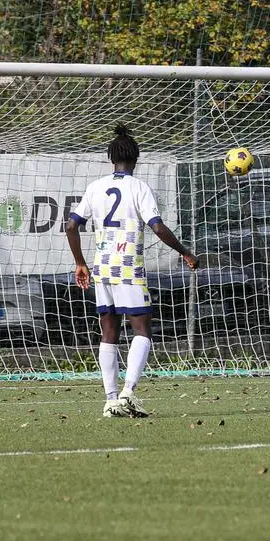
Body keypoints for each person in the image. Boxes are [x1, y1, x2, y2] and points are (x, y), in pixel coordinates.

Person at [66, 124, 199, 418]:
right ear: (136, 159)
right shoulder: (138, 187)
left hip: (102, 268)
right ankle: (127, 394)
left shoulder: (95, 187)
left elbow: (71, 225)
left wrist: (79, 262)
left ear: (110, 158)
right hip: (127, 266)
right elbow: (158, 226)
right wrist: (185, 252)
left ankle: (110, 400)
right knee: (142, 330)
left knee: (108, 332)